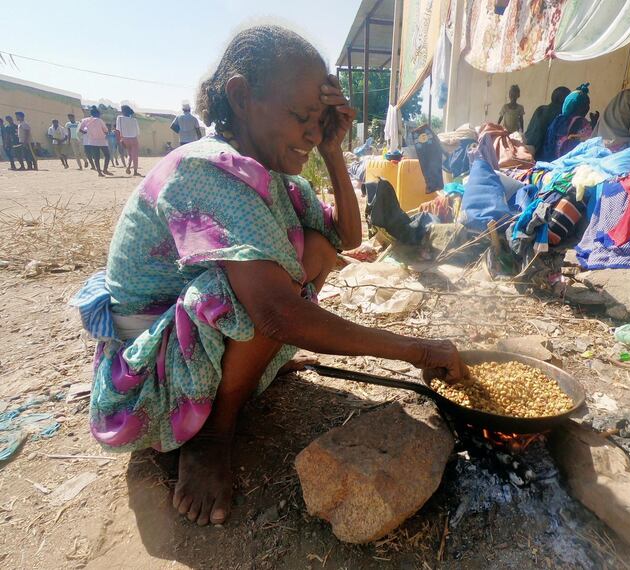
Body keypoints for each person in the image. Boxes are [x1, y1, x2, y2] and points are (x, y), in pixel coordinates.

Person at [70, 24, 467, 528]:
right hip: (150, 374)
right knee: (256, 294)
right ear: (240, 96)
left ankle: (239, 379)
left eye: (319, 121)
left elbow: (344, 239)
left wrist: (331, 151)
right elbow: (278, 314)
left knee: (312, 248)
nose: (311, 131)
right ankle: (214, 433)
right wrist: (419, 350)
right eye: (302, 117)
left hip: (189, 342)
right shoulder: (207, 169)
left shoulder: (269, 171)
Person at [539, 84, 596, 161]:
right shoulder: (582, 122)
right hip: (572, 161)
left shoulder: (558, 120)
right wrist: (594, 124)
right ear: (580, 106)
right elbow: (590, 141)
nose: (588, 108)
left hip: (555, 160)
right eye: (586, 105)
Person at [524, 86, 570, 158]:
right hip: (544, 154)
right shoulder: (561, 114)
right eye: (568, 99)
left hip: (528, 148)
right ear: (561, 99)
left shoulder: (540, 109)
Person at [80, 106, 111, 176]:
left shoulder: (85, 120)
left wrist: (86, 132)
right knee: (107, 155)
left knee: (96, 157)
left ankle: (99, 172)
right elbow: (106, 130)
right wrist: (106, 134)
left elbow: (80, 129)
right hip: (102, 140)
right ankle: (105, 169)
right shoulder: (99, 120)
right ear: (97, 114)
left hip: (92, 141)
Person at [116, 104, 141, 175]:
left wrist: (120, 139)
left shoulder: (119, 118)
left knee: (130, 154)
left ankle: (128, 166)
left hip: (124, 138)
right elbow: (137, 132)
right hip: (133, 138)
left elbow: (118, 129)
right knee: (134, 155)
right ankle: (135, 171)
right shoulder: (134, 120)